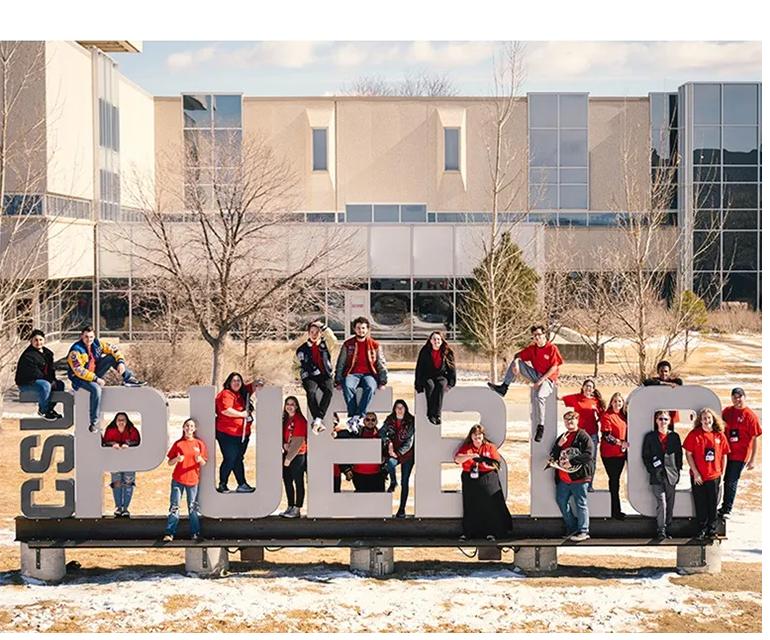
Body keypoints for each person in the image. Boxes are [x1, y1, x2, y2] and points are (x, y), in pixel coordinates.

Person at [488, 325, 563, 443]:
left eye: (539, 335)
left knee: (539, 396)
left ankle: (541, 427)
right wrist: (516, 363)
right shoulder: (532, 349)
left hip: (548, 379)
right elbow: (517, 355)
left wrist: (540, 381)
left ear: (544, 335)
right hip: (536, 375)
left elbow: (554, 368)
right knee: (515, 362)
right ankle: (504, 387)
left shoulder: (552, 348)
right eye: (534, 336)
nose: (537, 337)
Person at [67, 325, 146, 432]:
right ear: (81, 336)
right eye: (86, 337)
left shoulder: (97, 344)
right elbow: (79, 370)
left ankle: (129, 378)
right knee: (96, 389)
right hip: (79, 378)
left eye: (91, 337)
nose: (89, 339)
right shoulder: (76, 350)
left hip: (94, 373)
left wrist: (120, 362)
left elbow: (114, 350)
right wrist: (96, 379)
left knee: (111, 358)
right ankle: (93, 422)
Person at [453, 424, 512, 541]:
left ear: (483, 436)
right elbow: (457, 459)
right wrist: (471, 456)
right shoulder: (467, 448)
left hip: (488, 478)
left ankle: (492, 532)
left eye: (479, 435)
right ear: (471, 436)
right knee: (470, 505)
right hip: (470, 479)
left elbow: (496, 463)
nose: (477, 437)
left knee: (490, 505)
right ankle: (468, 532)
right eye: (475, 435)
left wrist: (486, 464)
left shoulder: (489, 447)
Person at [683, 407, 730, 540]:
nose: (707, 420)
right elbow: (688, 454)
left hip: (714, 476)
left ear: (713, 419)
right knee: (700, 503)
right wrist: (696, 472)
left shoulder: (719, 435)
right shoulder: (694, 434)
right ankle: (701, 529)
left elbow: (724, 455)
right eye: (704, 418)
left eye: (709, 418)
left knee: (712, 503)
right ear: (700, 420)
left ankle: (712, 529)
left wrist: (722, 475)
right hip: (698, 477)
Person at [334, 316, 387, 434]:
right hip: (352, 373)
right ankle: (353, 416)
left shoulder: (374, 345)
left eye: (363, 328)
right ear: (354, 329)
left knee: (370, 387)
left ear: (367, 329)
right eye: (358, 328)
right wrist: (338, 380)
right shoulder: (348, 344)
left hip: (369, 374)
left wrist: (383, 381)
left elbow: (381, 363)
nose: (361, 330)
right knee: (348, 385)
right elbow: (341, 363)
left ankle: (357, 416)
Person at [547, 411, 594, 541]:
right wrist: (559, 445)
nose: (569, 422)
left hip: (579, 477)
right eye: (567, 420)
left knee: (581, 503)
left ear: (577, 420)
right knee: (561, 501)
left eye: (572, 419)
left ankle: (583, 531)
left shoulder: (584, 436)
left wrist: (572, 462)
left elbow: (588, 454)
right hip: (563, 478)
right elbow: (554, 455)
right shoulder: (563, 437)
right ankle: (572, 527)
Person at [215, 371, 262, 493]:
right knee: (230, 458)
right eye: (234, 381)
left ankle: (242, 484)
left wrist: (260, 383)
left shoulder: (243, 392)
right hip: (227, 433)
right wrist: (242, 414)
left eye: (239, 380)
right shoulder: (226, 394)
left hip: (243, 434)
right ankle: (222, 483)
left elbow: (254, 384)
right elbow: (225, 410)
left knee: (238, 459)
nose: (236, 383)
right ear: (229, 382)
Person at [719, 388, 762, 519]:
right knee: (723, 479)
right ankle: (722, 506)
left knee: (731, 480)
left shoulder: (750, 416)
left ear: (744, 397)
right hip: (725, 452)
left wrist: (753, 460)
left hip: (740, 455)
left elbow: (756, 438)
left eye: (739, 397)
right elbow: (716, 421)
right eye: (734, 397)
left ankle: (727, 509)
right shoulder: (727, 411)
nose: (737, 400)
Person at [162, 418, 207, 542]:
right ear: (183, 428)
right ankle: (169, 533)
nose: (189, 428)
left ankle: (195, 533)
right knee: (174, 506)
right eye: (187, 426)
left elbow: (204, 462)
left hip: (193, 480)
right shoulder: (178, 444)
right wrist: (176, 459)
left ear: (195, 429)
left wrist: (199, 460)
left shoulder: (199, 444)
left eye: (191, 426)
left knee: (192, 508)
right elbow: (169, 462)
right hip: (178, 480)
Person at [642, 410, 683, 540]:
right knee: (662, 502)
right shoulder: (650, 437)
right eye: (660, 419)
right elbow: (645, 456)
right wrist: (652, 470)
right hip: (657, 475)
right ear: (656, 421)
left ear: (669, 421)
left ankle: (668, 527)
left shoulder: (674, 436)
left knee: (670, 503)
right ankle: (661, 530)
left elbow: (679, 455)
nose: (663, 422)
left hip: (671, 474)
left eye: (665, 419)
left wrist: (678, 471)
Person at [560, 379, 605, 491]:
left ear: (593, 389)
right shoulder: (576, 397)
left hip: (592, 434)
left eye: (591, 387)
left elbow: (602, 416)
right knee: (576, 457)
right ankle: (577, 483)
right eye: (586, 386)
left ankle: (589, 485)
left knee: (591, 460)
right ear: (583, 387)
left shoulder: (596, 401)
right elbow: (560, 398)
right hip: (578, 435)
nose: (588, 388)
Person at [296, 320, 337, 434]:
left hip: (325, 375)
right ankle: (317, 420)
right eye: (312, 332)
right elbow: (295, 366)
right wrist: (301, 374)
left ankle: (318, 419)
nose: (314, 335)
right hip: (310, 376)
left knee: (329, 390)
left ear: (321, 333)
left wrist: (323, 327)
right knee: (311, 392)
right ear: (308, 333)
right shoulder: (302, 349)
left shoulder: (326, 345)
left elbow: (333, 339)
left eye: (317, 332)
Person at [15, 329, 64, 421]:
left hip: (42, 380)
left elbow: (51, 370)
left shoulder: (48, 353)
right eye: (36, 340)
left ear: (44, 340)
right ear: (31, 341)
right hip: (26, 383)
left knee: (60, 385)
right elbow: (36, 373)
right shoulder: (28, 355)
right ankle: (43, 411)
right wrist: (50, 381)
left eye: (40, 340)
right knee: (45, 385)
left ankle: (50, 409)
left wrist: (53, 380)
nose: (38, 342)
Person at [380, 399, 415, 518]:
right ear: (394, 409)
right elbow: (381, 432)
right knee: (390, 463)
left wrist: (398, 453)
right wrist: (388, 442)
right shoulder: (390, 420)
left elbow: (409, 441)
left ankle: (402, 509)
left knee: (405, 481)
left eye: (402, 407)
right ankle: (393, 481)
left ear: (405, 409)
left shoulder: (411, 421)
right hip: (393, 452)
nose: (399, 410)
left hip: (407, 455)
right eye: (397, 407)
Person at [101, 412, 141, 517]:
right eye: (119, 420)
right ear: (115, 421)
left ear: (127, 421)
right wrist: (113, 443)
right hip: (114, 461)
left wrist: (128, 444)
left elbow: (137, 441)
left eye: (123, 420)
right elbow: (105, 441)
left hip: (130, 461)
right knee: (116, 483)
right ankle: (118, 507)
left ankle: (126, 507)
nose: (121, 422)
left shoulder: (132, 430)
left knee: (128, 483)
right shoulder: (110, 430)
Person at [414, 331, 456, 425]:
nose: (436, 341)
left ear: (442, 341)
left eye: (438, 339)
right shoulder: (425, 351)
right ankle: (430, 414)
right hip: (428, 376)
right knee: (430, 386)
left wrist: (451, 383)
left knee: (441, 386)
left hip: (441, 376)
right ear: (430, 340)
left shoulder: (447, 352)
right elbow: (419, 368)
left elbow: (452, 369)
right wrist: (418, 384)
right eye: (434, 339)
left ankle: (437, 415)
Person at [599, 392, 629, 519]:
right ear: (611, 402)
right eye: (615, 401)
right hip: (610, 454)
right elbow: (606, 436)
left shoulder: (623, 416)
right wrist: (620, 443)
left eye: (620, 401)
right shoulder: (607, 415)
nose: (617, 404)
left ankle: (615, 509)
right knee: (614, 480)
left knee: (616, 480)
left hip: (621, 453)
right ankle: (615, 511)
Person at [280, 396, 308, 518]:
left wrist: (289, 458)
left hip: (297, 456)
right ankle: (290, 506)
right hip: (287, 454)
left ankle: (297, 509)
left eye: (292, 404)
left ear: (296, 406)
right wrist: (283, 444)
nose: (289, 406)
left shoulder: (300, 420)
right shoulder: (286, 419)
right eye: (287, 404)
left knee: (298, 482)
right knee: (287, 481)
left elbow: (298, 441)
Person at [351, 412, 387, 492]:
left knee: (379, 498)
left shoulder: (381, 436)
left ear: (376, 422)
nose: (370, 422)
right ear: (364, 421)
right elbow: (348, 451)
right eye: (367, 419)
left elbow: (387, 452)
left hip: (376, 474)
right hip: (359, 474)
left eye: (373, 420)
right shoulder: (356, 434)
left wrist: (384, 459)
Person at [332, 413, 354, 493]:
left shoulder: (343, 433)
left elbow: (346, 454)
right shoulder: (316, 434)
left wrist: (346, 469)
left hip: (336, 473)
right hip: (321, 473)